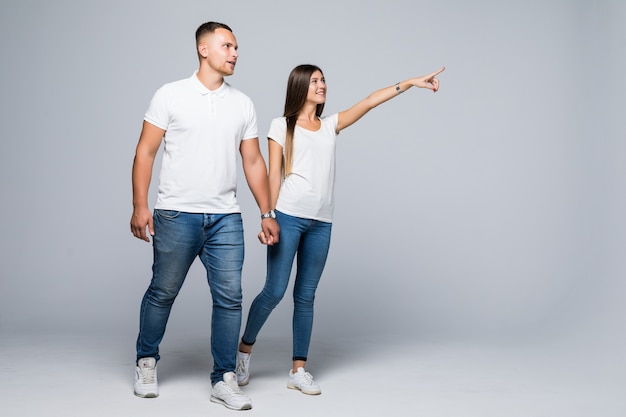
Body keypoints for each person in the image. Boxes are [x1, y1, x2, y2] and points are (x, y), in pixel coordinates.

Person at [235, 64, 445, 395]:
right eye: (315, 81)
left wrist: (410, 83)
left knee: (306, 296)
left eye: (323, 80)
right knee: (275, 290)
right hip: (288, 216)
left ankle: (298, 370)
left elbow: (370, 101)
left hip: (322, 222)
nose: (322, 85)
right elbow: (273, 174)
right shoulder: (282, 126)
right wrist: (268, 215)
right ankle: (244, 351)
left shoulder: (330, 124)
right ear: (301, 86)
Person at [129, 21, 279, 411]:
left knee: (230, 299)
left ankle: (224, 378)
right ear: (203, 49)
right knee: (163, 292)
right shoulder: (171, 95)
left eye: (236, 47)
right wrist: (140, 205)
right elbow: (146, 151)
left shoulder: (242, 103)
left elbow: (252, 160)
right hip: (176, 214)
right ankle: (146, 361)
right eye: (227, 45)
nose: (235, 53)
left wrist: (267, 211)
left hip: (225, 217)